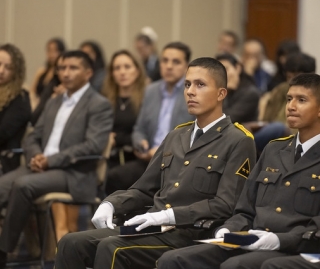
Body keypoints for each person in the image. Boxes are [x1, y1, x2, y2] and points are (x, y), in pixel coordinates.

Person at [55, 57, 256, 269]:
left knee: (112, 247)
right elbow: (144, 189)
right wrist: (112, 203)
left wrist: (169, 215)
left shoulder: (238, 140)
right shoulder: (177, 134)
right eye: (187, 84)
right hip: (154, 226)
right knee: (71, 243)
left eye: (200, 85)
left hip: (190, 233)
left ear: (221, 93)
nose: (190, 91)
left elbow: (225, 205)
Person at [157, 73, 320, 269]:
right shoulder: (274, 149)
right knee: (173, 259)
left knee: (237, 266)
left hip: (296, 247)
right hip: (252, 240)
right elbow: (245, 209)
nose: (291, 106)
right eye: (288, 99)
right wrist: (228, 229)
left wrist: (279, 240)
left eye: (301, 100)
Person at [0, 50, 113, 268]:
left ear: (88, 73)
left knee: (22, 185)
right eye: (62, 68)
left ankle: (3, 252)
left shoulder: (99, 104)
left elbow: (92, 146)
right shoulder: (55, 101)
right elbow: (33, 135)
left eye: (73, 68)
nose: (66, 73)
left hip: (74, 173)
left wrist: (50, 160)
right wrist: (35, 156)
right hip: (40, 167)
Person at [104, 42, 194, 195]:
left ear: (187, 67)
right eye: (165, 61)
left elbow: (194, 132)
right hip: (149, 160)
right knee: (114, 178)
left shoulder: (192, 92)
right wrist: (141, 142)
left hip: (180, 161)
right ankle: (120, 219)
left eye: (176, 62)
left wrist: (163, 151)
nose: (169, 66)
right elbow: (139, 129)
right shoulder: (151, 91)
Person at [100, 50, 146, 194]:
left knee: (114, 177)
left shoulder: (146, 98)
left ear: (137, 71)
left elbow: (144, 132)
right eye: (117, 68)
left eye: (127, 67)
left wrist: (117, 138)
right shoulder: (105, 99)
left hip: (136, 157)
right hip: (108, 155)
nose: (122, 72)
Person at [0, 44, 31, 174]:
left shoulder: (20, 99)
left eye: (8, 68)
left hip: (4, 160)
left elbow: (2, 134)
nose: (1, 71)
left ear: (16, 73)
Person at [216, 53, 260, 123]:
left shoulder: (250, 93)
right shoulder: (218, 89)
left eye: (226, 69)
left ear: (237, 68)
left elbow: (227, 119)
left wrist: (225, 93)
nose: (223, 75)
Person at [30, 37, 66, 110]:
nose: (52, 54)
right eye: (49, 51)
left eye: (55, 51)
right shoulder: (41, 71)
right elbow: (32, 91)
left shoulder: (63, 73)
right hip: (37, 104)